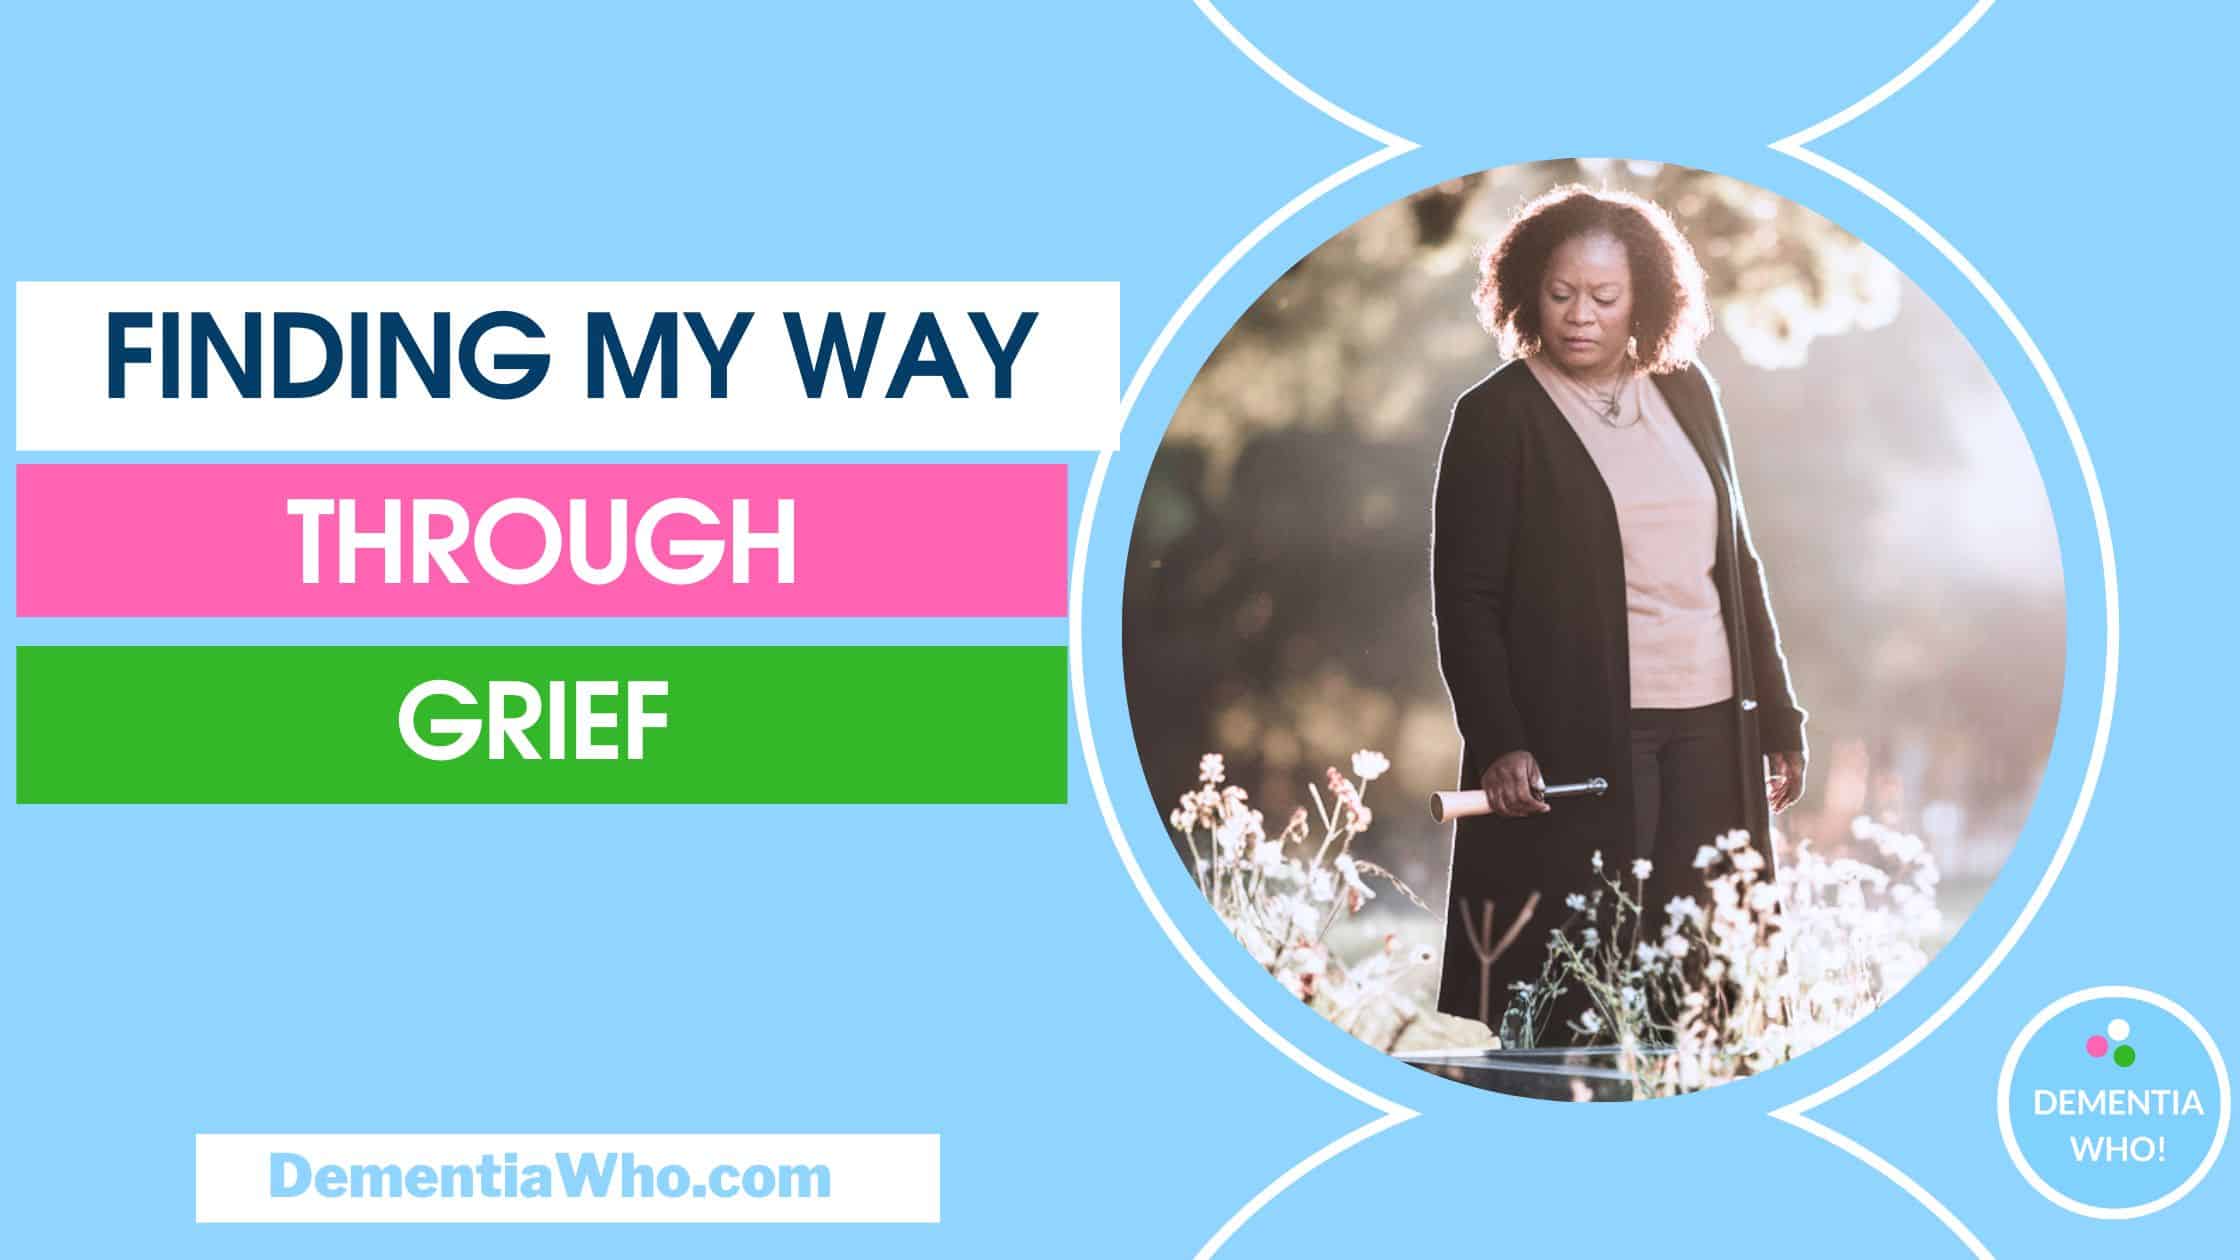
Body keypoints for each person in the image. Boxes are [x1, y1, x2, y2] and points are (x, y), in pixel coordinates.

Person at [1429, 185, 1809, 1042]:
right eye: (1561, 293)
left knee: (1705, 977)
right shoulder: (1495, 416)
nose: (1580, 316)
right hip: (1583, 734)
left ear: (1644, 298)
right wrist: (1499, 740)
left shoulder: (1688, 390)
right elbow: (1467, 600)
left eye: (1605, 296)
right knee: (1582, 981)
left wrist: (1780, 716)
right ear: (1527, 291)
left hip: (1713, 721)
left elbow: (1738, 563)